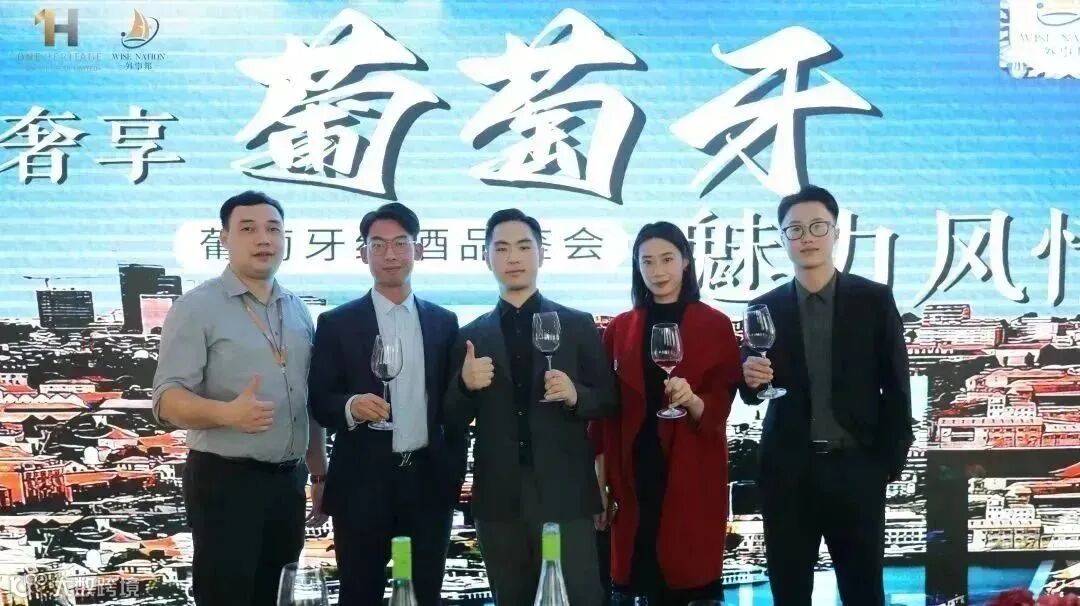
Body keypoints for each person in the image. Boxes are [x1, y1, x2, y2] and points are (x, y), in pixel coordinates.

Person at [740, 185, 914, 606]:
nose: (807, 237)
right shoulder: (764, 306)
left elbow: (897, 387)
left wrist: (884, 465)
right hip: (788, 474)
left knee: (863, 593)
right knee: (789, 594)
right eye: (795, 229)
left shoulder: (873, 299)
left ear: (836, 232)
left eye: (818, 226)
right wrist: (750, 379)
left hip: (856, 470)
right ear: (782, 239)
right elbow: (750, 391)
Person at [152, 190, 328, 606]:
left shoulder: (297, 309)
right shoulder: (197, 307)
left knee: (277, 595)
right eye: (248, 229)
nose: (263, 239)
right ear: (224, 238)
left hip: (288, 482)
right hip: (225, 481)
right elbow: (165, 400)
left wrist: (320, 475)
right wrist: (227, 414)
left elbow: (310, 399)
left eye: (273, 229)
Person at [445, 208, 616, 606]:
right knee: (511, 597)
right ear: (486, 258)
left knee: (580, 597)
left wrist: (576, 395)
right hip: (499, 495)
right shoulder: (470, 336)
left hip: (566, 492)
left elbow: (608, 400)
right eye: (502, 248)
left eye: (524, 247)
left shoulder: (577, 325)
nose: (514, 257)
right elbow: (449, 419)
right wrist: (465, 385)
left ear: (541, 254)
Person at [307, 203, 463, 605]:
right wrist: (351, 405)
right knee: (360, 594)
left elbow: (454, 407)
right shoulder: (337, 323)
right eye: (378, 245)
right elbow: (320, 402)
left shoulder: (444, 323)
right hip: (362, 484)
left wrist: (452, 473)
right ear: (363, 254)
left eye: (400, 243)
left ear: (419, 250)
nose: (390, 254)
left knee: (425, 594)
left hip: (427, 483)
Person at [591, 222, 740, 605]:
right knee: (637, 577)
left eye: (667, 259)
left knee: (687, 577)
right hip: (632, 472)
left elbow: (720, 406)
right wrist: (600, 486)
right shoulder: (620, 329)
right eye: (647, 261)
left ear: (686, 261)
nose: (657, 270)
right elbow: (604, 417)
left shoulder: (715, 325)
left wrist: (691, 399)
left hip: (691, 470)